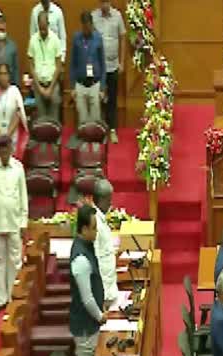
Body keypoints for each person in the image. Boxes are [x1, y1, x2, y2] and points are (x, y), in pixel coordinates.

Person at [69, 204, 108, 356]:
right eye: (93, 228)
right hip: (85, 326)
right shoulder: (81, 260)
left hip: (89, 323)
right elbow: (86, 298)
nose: (96, 232)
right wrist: (100, 316)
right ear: (83, 229)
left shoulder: (86, 246)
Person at [0, 135, 28, 311]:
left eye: (6, 149)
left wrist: (24, 222)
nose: (3, 152)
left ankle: (13, 296)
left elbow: (23, 197)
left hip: (14, 221)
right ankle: (2, 298)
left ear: (11, 149)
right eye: (0, 149)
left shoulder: (18, 168)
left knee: (15, 260)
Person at [92, 0, 126, 144]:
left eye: (106, 2)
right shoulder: (94, 16)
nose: (104, 5)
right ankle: (100, 130)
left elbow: (123, 38)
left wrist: (122, 62)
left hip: (113, 65)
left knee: (111, 98)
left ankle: (112, 130)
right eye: (102, 2)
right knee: (100, 98)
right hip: (99, 66)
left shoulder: (117, 16)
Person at [71, 11, 107, 126]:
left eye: (89, 26)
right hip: (80, 85)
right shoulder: (76, 38)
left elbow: (102, 64)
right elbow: (73, 63)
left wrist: (102, 87)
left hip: (95, 85)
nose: (87, 29)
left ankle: (95, 144)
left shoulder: (98, 38)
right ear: (82, 25)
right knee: (83, 120)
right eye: (84, 27)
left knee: (95, 121)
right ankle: (84, 143)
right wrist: (72, 87)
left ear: (92, 24)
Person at [28, 11, 63, 123]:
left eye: (44, 28)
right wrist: (39, 88)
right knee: (41, 119)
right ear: (38, 25)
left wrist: (50, 88)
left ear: (48, 24)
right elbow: (31, 65)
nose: (43, 31)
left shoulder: (55, 40)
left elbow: (58, 66)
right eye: (40, 28)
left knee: (54, 119)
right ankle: (42, 139)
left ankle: (55, 139)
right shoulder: (33, 40)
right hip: (38, 85)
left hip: (53, 84)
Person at [0, 63, 28, 158]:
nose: (3, 77)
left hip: (12, 135)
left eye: (5, 73)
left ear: (9, 75)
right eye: (0, 74)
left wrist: (7, 136)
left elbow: (18, 115)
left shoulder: (15, 91)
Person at [92, 179, 119, 308]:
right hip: (103, 288)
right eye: (109, 199)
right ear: (101, 200)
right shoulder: (94, 223)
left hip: (109, 285)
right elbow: (94, 257)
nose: (110, 203)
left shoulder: (100, 218)